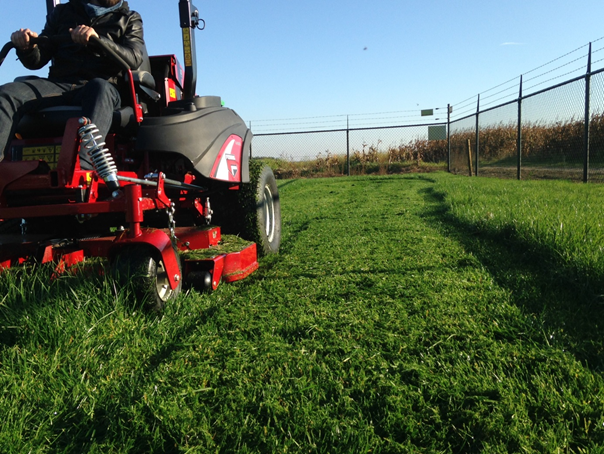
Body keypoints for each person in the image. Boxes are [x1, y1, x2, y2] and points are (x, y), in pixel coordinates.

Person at [0, 0, 145, 169]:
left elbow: (134, 59)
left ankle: (84, 168)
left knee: (99, 88)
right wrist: (27, 47)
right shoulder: (63, 12)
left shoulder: (129, 18)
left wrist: (98, 40)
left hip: (101, 86)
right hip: (60, 84)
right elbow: (38, 59)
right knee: (7, 93)